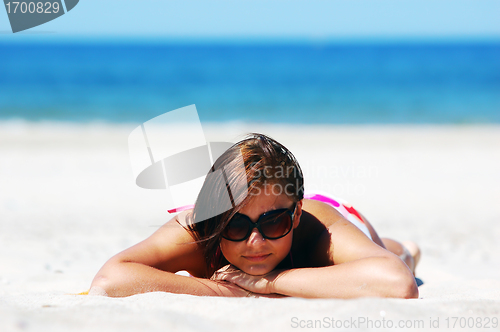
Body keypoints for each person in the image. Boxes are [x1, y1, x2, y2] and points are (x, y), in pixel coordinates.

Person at [89, 133, 420, 298]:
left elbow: (399, 282)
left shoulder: (318, 229)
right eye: (236, 226)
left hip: (334, 212)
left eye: (273, 222)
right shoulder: (200, 227)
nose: (255, 241)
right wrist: (221, 290)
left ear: (295, 214)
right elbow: (110, 280)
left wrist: (268, 282)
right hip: (276, 198)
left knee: (394, 254)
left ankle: (407, 248)